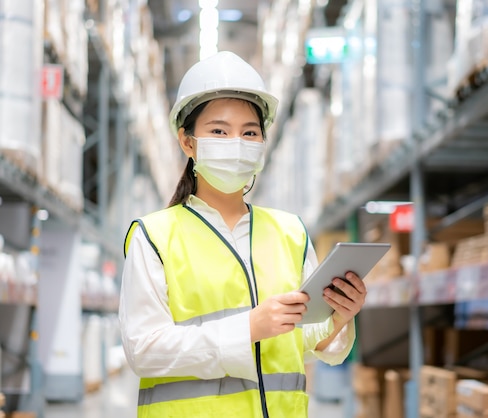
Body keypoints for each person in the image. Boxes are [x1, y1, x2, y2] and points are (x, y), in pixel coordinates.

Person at [118, 51, 367, 418]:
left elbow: (307, 341)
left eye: (249, 132)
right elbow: (144, 349)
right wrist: (247, 328)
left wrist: (339, 318)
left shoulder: (291, 232)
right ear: (187, 142)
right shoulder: (154, 236)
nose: (236, 142)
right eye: (219, 131)